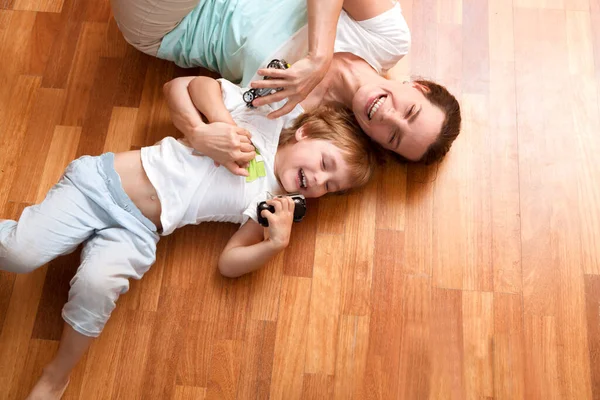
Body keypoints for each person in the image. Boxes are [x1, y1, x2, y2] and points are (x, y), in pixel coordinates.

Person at [1, 76, 376, 399]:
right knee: (20, 253)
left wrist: (273, 243)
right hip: (99, 184)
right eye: (325, 164)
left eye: (331, 186)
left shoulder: (269, 202)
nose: (320, 181)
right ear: (306, 133)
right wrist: (220, 125)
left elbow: (229, 263)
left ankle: (56, 376)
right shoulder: (262, 121)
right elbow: (196, 86)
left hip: (140, 230)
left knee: (97, 290)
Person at [110, 0, 461, 165]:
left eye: (394, 137)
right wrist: (319, 58)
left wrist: (201, 134)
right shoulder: (387, 40)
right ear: (419, 88)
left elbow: (178, 91)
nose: (389, 117)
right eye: (410, 111)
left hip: (178, 22)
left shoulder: (296, 121)